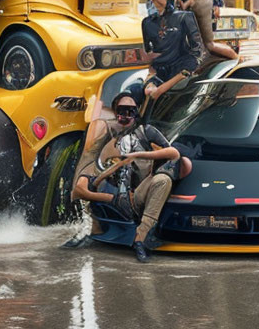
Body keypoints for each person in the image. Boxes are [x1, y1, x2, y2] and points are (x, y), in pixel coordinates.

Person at [69, 86, 179, 263]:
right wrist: (108, 197)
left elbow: (173, 153)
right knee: (88, 180)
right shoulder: (106, 135)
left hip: (138, 195)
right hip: (113, 196)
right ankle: (91, 231)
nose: (126, 115)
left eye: (131, 110)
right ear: (115, 111)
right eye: (122, 110)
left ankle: (140, 239)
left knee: (163, 180)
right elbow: (82, 183)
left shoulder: (146, 131)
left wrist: (139, 155)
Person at [141, 0, 204, 99]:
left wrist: (160, 90)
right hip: (159, 73)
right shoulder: (146, 23)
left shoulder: (184, 17)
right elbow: (149, 52)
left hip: (181, 69)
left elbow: (197, 51)